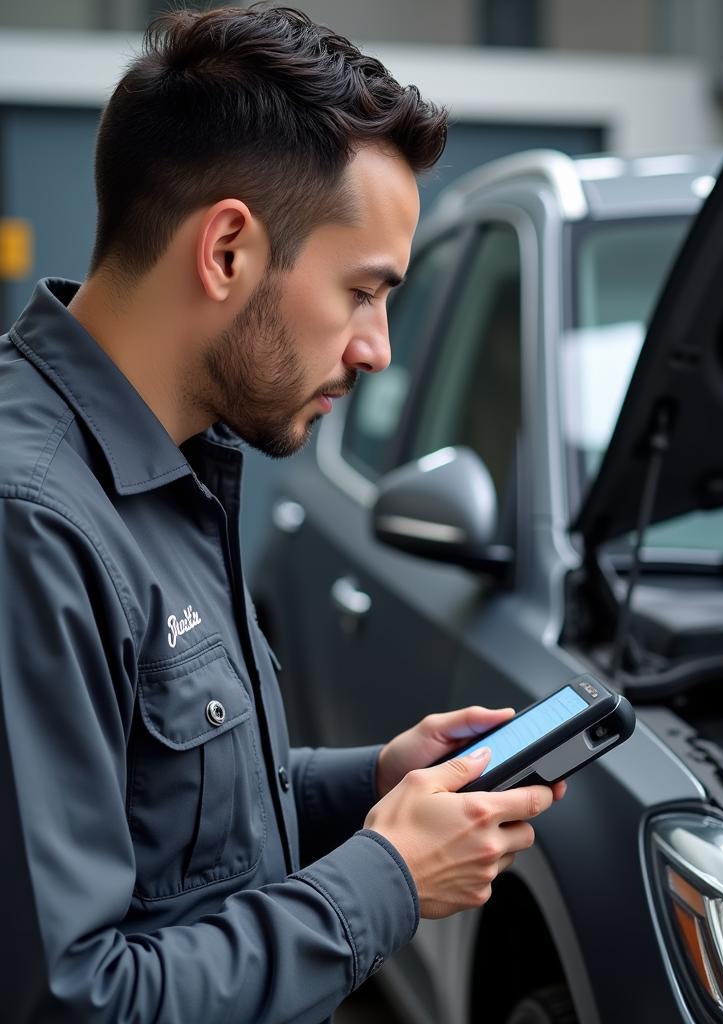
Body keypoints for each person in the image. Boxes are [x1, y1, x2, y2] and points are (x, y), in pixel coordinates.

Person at [0, 6, 565, 1022]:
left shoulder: (174, 466)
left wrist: (373, 784)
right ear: (226, 251)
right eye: (362, 291)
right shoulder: (30, 526)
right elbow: (71, 997)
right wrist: (388, 878)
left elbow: (161, 826)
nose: (377, 347)